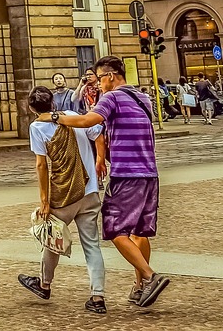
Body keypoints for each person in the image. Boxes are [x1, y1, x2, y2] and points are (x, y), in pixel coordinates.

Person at [54, 56, 169, 309]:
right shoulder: (144, 98)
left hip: (126, 174)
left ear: (109, 77)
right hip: (149, 173)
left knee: (115, 230)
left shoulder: (112, 97)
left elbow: (87, 121)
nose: (98, 85)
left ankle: (150, 277)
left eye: (99, 79)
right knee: (139, 232)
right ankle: (139, 288)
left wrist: (55, 118)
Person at [16, 86, 107, 314]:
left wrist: (45, 201)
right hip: (89, 190)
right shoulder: (75, 117)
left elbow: (41, 165)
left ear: (31, 108)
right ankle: (98, 297)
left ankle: (44, 284)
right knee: (92, 245)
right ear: (53, 103)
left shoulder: (37, 128)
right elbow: (98, 135)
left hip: (64, 194)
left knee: (53, 239)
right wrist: (99, 162)